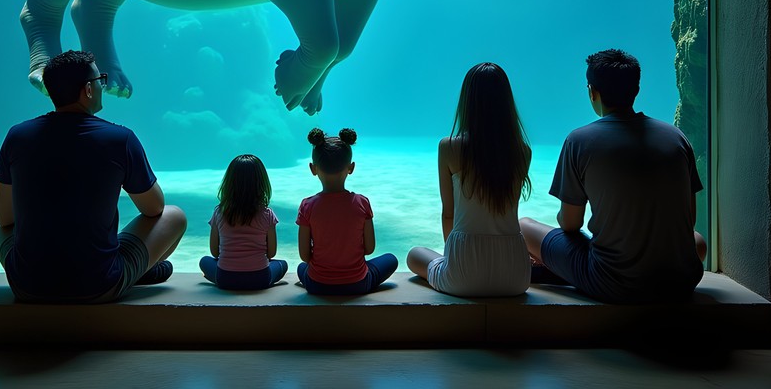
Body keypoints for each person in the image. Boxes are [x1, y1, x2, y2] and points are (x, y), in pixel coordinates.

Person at [0, 49, 187, 303]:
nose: (102, 86)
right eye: (99, 80)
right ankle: (136, 272)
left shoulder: (17, 136)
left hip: (27, 287)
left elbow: (4, 218)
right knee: (174, 215)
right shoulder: (120, 139)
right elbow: (154, 208)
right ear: (88, 90)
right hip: (98, 285)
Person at [519, 48, 708, 303]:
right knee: (698, 242)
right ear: (637, 89)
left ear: (592, 92)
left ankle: (564, 272)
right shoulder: (677, 138)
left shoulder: (579, 140)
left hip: (613, 283)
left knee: (524, 225)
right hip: (682, 280)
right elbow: (689, 220)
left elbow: (570, 224)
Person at [407, 62, 533, 297]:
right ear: (506, 102)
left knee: (415, 254)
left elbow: (448, 214)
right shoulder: (523, 152)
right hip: (516, 276)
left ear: (467, 101)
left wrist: (454, 259)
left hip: (464, 274)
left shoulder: (449, 147)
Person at [296, 127, 398, 295]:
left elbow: (305, 256)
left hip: (317, 285)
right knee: (391, 260)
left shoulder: (307, 205)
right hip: (357, 284)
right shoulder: (362, 202)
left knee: (302, 267)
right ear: (351, 167)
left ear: (313, 169)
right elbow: (369, 248)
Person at [199, 154, 289, 290]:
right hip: (260, 278)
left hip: (225, 278)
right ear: (262, 183)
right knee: (282, 264)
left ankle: (216, 277)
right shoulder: (267, 214)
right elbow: (271, 253)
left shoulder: (219, 212)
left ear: (229, 182)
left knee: (204, 261)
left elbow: (214, 253)